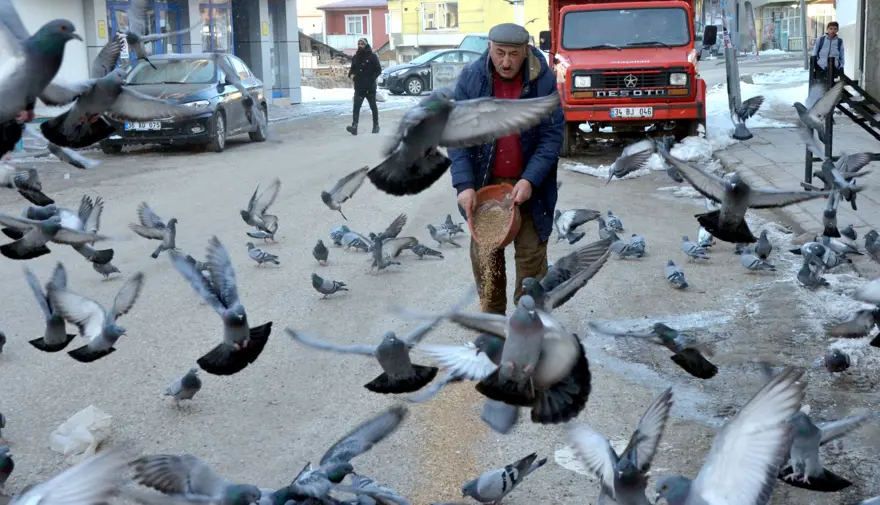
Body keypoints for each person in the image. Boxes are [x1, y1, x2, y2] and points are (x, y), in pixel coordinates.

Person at [449, 22, 564, 315]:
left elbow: (552, 136)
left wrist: (530, 179)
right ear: (489, 48)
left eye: (513, 54)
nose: (506, 61)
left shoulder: (542, 80)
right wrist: (464, 186)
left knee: (531, 263)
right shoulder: (472, 79)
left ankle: (530, 328)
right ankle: (494, 330)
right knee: (488, 262)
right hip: (486, 185)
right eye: (500, 53)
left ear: (525, 51)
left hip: (531, 188)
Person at [346, 38, 382, 135]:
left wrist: (372, 78)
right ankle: (354, 126)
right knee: (356, 107)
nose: (360, 45)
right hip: (359, 87)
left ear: (366, 45)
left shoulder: (373, 56)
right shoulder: (355, 57)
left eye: (362, 43)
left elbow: (378, 70)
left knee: (373, 106)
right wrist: (352, 76)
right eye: (359, 43)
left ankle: (376, 125)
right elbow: (351, 70)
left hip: (370, 87)